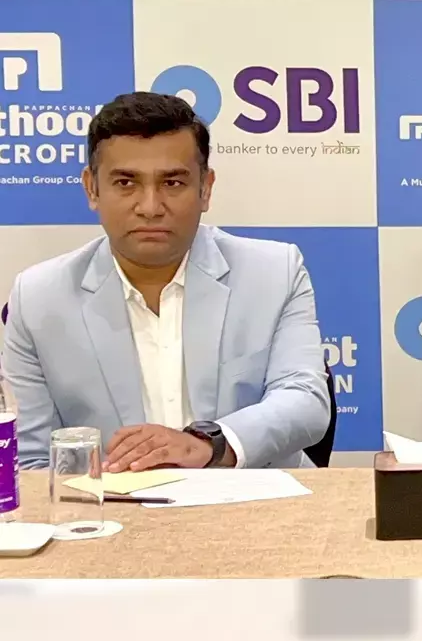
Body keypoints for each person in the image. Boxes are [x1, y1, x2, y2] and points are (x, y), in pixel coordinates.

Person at [2, 92, 331, 471]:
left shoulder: (275, 271)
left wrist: (208, 444)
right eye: (126, 182)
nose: (150, 207)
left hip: (260, 499)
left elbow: (305, 400)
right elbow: (31, 460)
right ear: (92, 188)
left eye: (172, 183)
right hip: (113, 505)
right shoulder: (37, 299)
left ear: (205, 188)